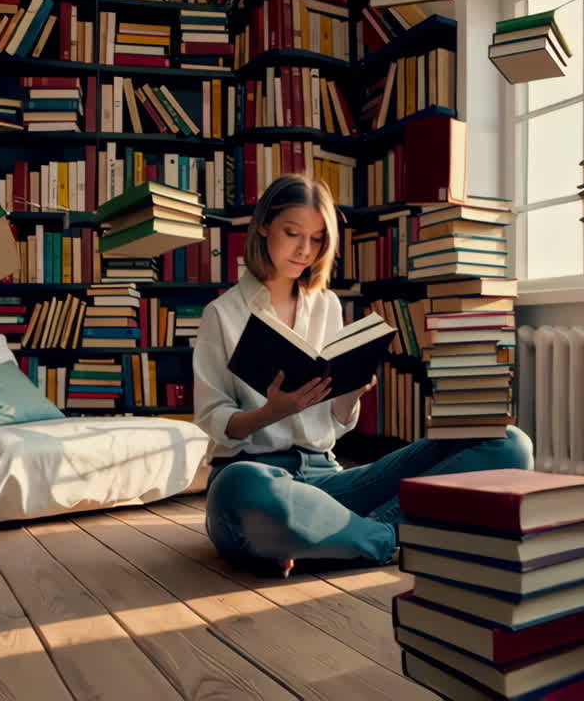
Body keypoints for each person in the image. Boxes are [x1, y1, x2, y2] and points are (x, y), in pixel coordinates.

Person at [193, 174, 533, 577]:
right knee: (241, 487)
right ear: (264, 225)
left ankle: (346, 537)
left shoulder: (327, 306)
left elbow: (333, 426)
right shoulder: (222, 315)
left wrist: (349, 396)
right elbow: (213, 421)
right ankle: (385, 537)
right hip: (258, 476)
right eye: (292, 233)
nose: (304, 250)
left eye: (317, 239)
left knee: (508, 443)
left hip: (330, 483)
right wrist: (272, 411)